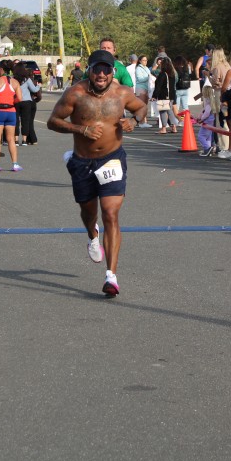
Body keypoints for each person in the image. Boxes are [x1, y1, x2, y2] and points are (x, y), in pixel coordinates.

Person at [47, 49, 148, 296]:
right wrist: (81, 130)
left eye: (106, 70)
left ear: (113, 72)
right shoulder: (75, 93)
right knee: (88, 211)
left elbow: (141, 108)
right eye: (97, 69)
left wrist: (134, 121)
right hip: (83, 162)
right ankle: (92, 235)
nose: (101, 74)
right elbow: (53, 121)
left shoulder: (122, 93)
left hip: (112, 159)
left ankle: (111, 276)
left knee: (110, 213)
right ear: (89, 70)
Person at [0, 59, 22, 173]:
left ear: (1, 69)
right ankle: (15, 164)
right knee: (11, 139)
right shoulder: (15, 82)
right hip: (11, 111)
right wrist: (11, 101)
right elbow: (19, 98)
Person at [14, 63, 40, 146]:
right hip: (26, 102)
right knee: (25, 121)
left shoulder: (13, 79)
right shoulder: (27, 79)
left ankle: (16, 140)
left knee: (16, 121)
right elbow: (34, 89)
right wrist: (38, 86)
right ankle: (24, 140)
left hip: (16, 101)